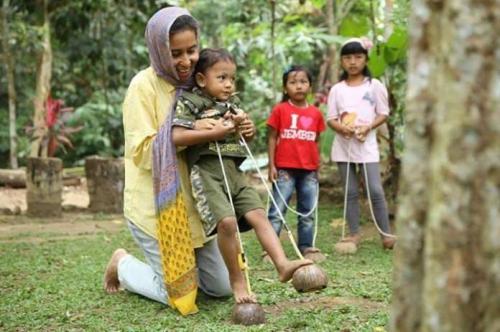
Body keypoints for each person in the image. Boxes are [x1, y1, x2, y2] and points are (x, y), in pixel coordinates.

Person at [103, 7, 257, 316]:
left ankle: (180, 269)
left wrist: (242, 127)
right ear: (159, 50)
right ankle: (123, 264)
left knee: (221, 288)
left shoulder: (201, 84)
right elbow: (144, 151)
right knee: (180, 297)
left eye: (192, 50)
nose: (186, 60)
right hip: (156, 209)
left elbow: (222, 127)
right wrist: (192, 131)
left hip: (196, 207)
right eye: (175, 53)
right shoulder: (142, 87)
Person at [172, 48, 313, 304]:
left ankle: (282, 264)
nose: (228, 84)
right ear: (202, 79)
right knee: (226, 224)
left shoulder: (233, 104)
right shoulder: (189, 102)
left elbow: (246, 137)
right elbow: (177, 135)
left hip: (234, 171)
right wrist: (209, 132)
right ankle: (237, 283)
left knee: (259, 214)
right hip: (206, 172)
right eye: (222, 78)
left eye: (232, 79)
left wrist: (247, 129)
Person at [326, 37, 396, 250]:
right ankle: (354, 233)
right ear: (342, 62)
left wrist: (367, 127)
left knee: (375, 190)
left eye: (358, 57)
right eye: (348, 58)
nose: (353, 62)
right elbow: (331, 119)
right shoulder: (337, 89)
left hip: (367, 146)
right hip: (343, 147)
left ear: (366, 59)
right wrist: (342, 128)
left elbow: (383, 113)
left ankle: (386, 234)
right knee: (350, 192)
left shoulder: (374, 86)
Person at [265, 65, 326, 262]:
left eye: (303, 82)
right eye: (293, 82)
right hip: (284, 168)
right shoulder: (280, 110)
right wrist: (271, 165)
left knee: (307, 211)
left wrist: (318, 165)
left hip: (309, 170)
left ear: (310, 86)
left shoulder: (316, 113)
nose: (298, 86)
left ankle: (307, 247)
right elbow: (272, 137)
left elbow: (316, 140)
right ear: (285, 88)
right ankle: (270, 249)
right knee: (277, 210)